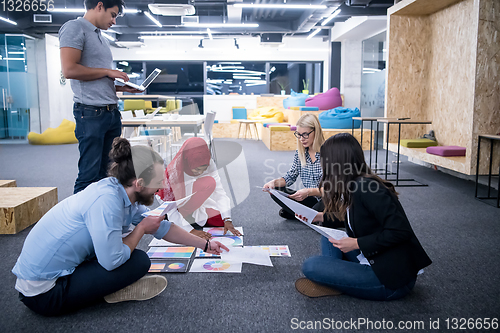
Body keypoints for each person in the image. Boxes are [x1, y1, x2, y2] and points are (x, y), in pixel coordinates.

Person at [11, 138, 229, 316]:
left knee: (134, 257)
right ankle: (111, 289)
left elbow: (163, 226)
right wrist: (141, 229)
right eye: (158, 182)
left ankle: (109, 285)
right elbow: (113, 260)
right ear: (140, 184)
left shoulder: (120, 192)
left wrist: (205, 244)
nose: (161, 187)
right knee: (138, 261)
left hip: (55, 273)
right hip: (45, 293)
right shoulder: (107, 203)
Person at [297, 133, 432, 301]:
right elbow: (356, 217)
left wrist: (356, 243)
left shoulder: (367, 188)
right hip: (372, 257)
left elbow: (400, 231)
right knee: (329, 237)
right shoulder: (355, 184)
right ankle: (336, 279)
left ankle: (335, 280)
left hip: (390, 280)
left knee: (311, 266)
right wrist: (319, 217)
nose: (322, 165)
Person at [59, 0, 142, 194]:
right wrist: (108, 71)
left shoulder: (101, 38)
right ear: (99, 6)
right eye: (113, 14)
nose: (114, 21)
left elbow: (98, 78)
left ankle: (103, 219)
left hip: (110, 112)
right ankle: (79, 222)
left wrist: (121, 88)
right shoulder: (74, 28)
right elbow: (70, 69)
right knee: (89, 175)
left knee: (109, 174)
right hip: (90, 113)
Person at [157, 137, 241, 239]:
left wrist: (228, 219)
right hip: (175, 205)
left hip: (194, 199)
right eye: (197, 169)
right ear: (188, 160)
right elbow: (169, 205)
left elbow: (219, 192)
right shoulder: (174, 171)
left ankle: (189, 215)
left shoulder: (209, 163)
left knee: (220, 220)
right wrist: (191, 231)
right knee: (208, 182)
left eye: (204, 169)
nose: (200, 173)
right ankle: (182, 218)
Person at [263, 113, 325, 219]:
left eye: (305, 134)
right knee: (276, 191)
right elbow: (291, 176)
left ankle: (301, 214)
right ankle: (303, 214)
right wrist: (274, 183)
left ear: (316, 132)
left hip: (328, 200)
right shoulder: (300, 153)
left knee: (316, 211)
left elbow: (335, 189)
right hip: (311, 198)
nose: (301, 139)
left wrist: (309, 191)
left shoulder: (329, 152)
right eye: (299, 134)